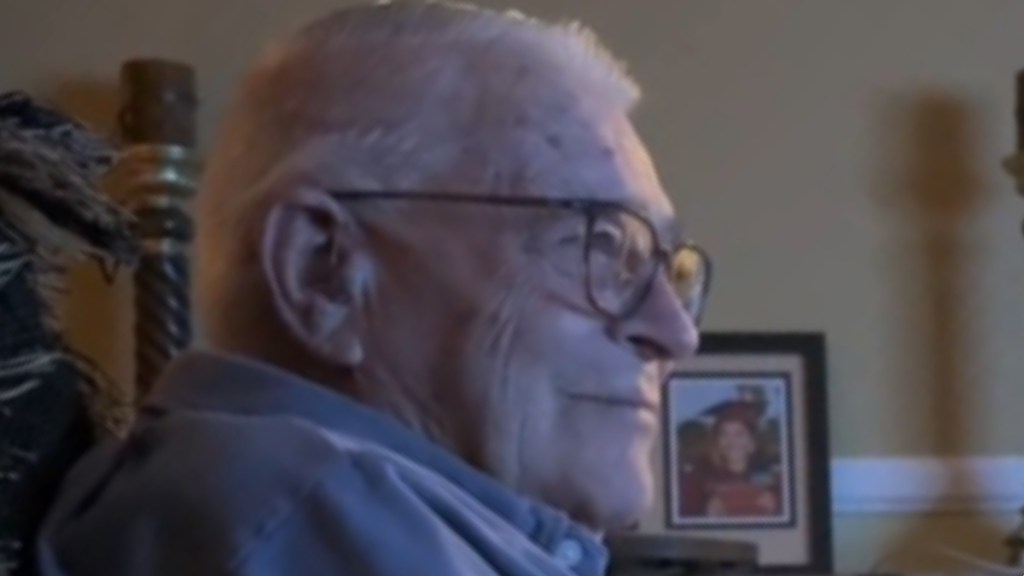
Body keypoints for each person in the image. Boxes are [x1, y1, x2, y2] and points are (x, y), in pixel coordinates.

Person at [36, 2, 710, 575]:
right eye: (597, 246)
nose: (676, 333)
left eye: (668, 271)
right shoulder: (305, 501)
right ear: (321, 271)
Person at [679, 400, 781, 519]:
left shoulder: (773, 476)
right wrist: (706, 514)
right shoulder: (698, 476)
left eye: (739, 434)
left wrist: (776, 505)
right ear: (716, 441)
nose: (731, 441)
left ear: (752, 442)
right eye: (724, 434)